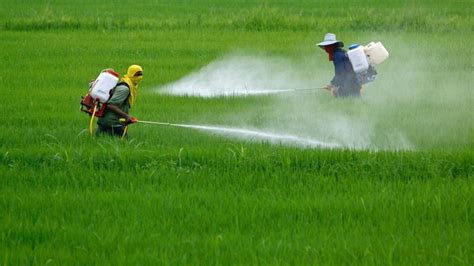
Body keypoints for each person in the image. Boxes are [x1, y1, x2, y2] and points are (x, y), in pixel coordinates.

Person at [96, 65, 143, 137]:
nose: (139, 77)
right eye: (136, 75)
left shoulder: (129, 85)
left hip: (106, 121)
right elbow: (111, 105)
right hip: (113, 122)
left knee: (99, 141)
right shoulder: (124, 89)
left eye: (140, 74)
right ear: (131, 74)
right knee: (127, 144)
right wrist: (126, 116)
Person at [317, 33, 361, 97]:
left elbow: (340, 73)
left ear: (332, 46)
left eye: (328, 46)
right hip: (354, 82)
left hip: (349, 83)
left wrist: (332, 84)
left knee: (344, 102)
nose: (326, 48)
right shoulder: (342, 52)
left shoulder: (337, 55)